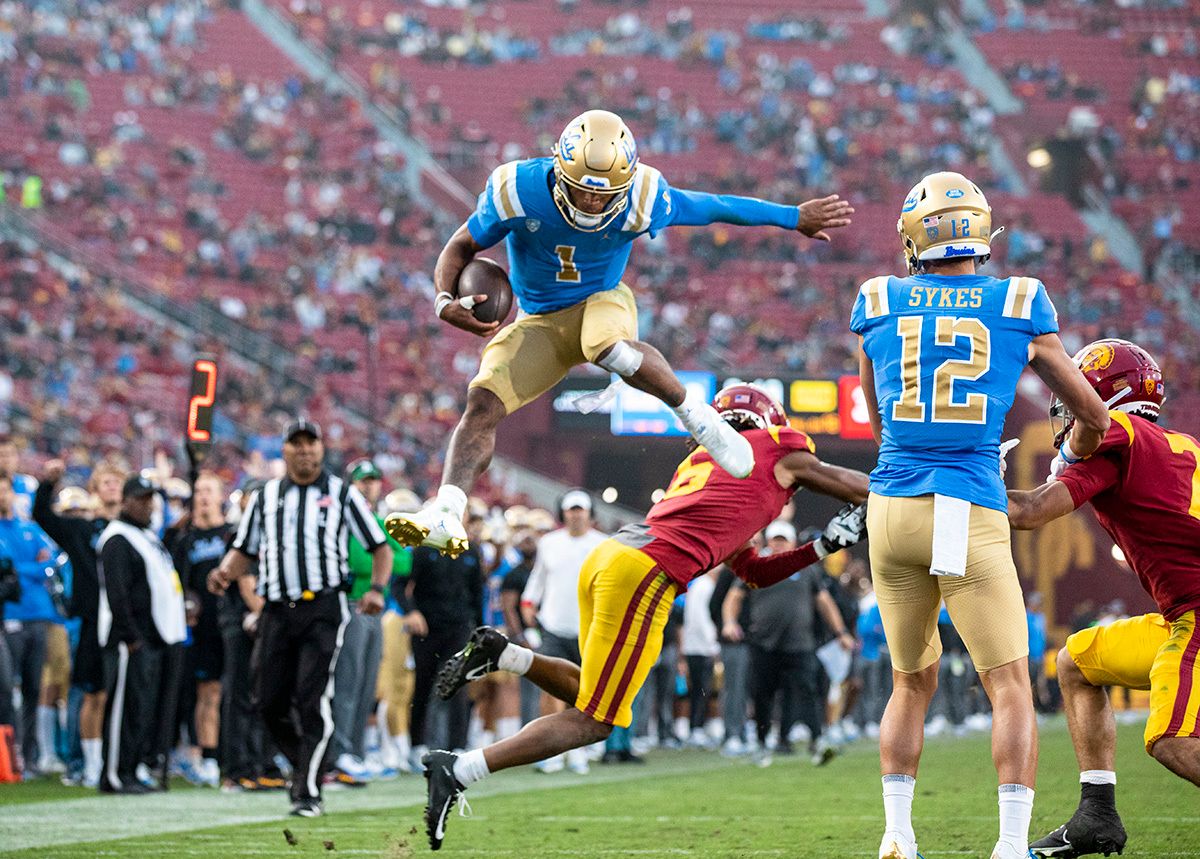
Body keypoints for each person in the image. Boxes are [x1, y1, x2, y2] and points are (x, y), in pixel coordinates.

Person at [418, 384, 869, 850]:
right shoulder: (774, 449)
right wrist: (903, 497)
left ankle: (506, 655)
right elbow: (842, 480)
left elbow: (751, 571)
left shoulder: (704, 467)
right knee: (596, 722)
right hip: (646, 575)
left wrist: (822, 547)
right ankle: (461, 769)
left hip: (612, 558)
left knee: (596, 697)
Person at [386, 109, 854, 557]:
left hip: (602, 301)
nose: (592, 201)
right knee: (482, 401)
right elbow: (461, 245)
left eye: (604, 193)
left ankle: (700, 420)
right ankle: (447, 509)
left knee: (603, 345)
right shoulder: (517, 188)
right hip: (539, 321)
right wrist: (444, 301)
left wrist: (793, 217)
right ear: (557, 169)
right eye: (581, 190)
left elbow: (713, 207)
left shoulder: (644, 196)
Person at [851, 171, 1111, 859]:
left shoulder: (878, 298)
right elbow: (1092, 413)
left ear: (914, 238)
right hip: (967, 503)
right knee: (1008, 685)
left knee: (911, 682)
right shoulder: (1018, 300)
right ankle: (1008, 844)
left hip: (892, 503)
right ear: (979, 231)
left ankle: (898, 832)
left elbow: (879, 419)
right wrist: (1071, 457)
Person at [1005, 339, 1200, 857]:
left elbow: (1028, 512)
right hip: (1181, 616)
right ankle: (1097, 814)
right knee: (1076, 662)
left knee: (1174, 741)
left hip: (1198, 615)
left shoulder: (1120, 439)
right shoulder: (1172, 445)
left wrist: (959, 486)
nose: (1067, 417)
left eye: (1075, 401)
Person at [208, 419, 393, 817]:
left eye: (312, 443)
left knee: (312, 699)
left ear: (321, 449)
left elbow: (380, 547)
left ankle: (306, 791)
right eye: (297, 444)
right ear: (286, 451)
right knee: (267, 701)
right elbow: (244, 548)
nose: (305, 450)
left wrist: (376, 589)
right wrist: (225, 572)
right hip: (276, 608)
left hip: (323, 608)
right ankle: (310, 762)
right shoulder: (266, 496)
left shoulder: (341, 494)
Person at [722, 519, 855, 766]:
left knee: (808, 691)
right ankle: (762, 744)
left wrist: (841, 633)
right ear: (769, 542)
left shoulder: (806, 569)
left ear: (792, 543)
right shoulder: (756, 566)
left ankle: (817, 742)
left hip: (799, 644)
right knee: (762, 696)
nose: (779, 545)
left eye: (784, 540)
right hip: (763, 643)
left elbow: (824, 602)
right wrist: (729, 622)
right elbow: (734, 596)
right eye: (776, 540)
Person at [33, 460, 122, 787]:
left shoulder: (132, 530)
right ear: (96, 490)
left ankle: (119, 762)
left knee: (121, 696)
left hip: (124, 624)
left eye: (118, 483)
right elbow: (43, 517)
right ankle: (89, 764)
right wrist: (48, 483)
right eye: (107, 482)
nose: (113, 489)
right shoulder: (84, 528)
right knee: (90, 693)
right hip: (91, 621)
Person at [96, 475, 187, 794]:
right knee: (124, 710)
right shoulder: (117, 537)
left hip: (153, 638)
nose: (149, 505)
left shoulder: (145, 536)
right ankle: (115, 774)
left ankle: (133, 769)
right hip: (129, 641)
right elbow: (117, 595)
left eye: (151, 499)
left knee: (141, 710)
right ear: (125, 501)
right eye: (141, 499)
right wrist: (132, 637)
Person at [520, 490, 606, 774]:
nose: (576, 514)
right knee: (550, 691)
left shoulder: (603, 545)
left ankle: (578, 751)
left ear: (590, 513)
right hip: (553, 626)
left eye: (581, 509)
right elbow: (538, 579)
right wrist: (529, 605)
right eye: (571, 510)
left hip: (589, 629)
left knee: (583, 694)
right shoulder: (549, 543)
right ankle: (552, 751)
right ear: (563, 513)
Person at [330, 458, 404, 782]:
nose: (369, 486)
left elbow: (402, 563)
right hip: (353, 605)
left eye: (373, 480)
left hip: (376, 608)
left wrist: (382, 553)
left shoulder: (377, 521)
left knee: (366, 684)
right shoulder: (345, 519)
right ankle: (340, 753)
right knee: (348, 681)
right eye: (362, 481)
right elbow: (360, 561)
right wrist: (383, 553)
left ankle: (356, 752)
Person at [398, 513, 485, 769]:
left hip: (458, 627)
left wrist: (480, 631)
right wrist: (411, 611)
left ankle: (457, 746)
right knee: (423, 685)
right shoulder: (424, 548)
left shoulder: (471, 551)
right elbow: (400, 585)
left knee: (459, 684)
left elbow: (477, 593)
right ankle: (416, 746)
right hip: (427, 627)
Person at [169, 472, 230, 788]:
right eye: (200, 491)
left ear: (221, 496)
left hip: (227, 623)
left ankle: (223, 754)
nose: (204, 497)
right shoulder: (185, 541)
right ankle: (205, 755)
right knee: (205, 691)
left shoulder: (231, 534)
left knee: (225, 693)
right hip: (199, 626)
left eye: (210, 490)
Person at [0, 473, 57, 774]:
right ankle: (10, 754)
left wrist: (24, 569)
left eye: (5, 490)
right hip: (9, 615)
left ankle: (30, 755)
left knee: (35, 688)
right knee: (8, 689)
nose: (2, 496)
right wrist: (34, 566)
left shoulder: (28, 527)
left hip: (39, 614)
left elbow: (53, 560)